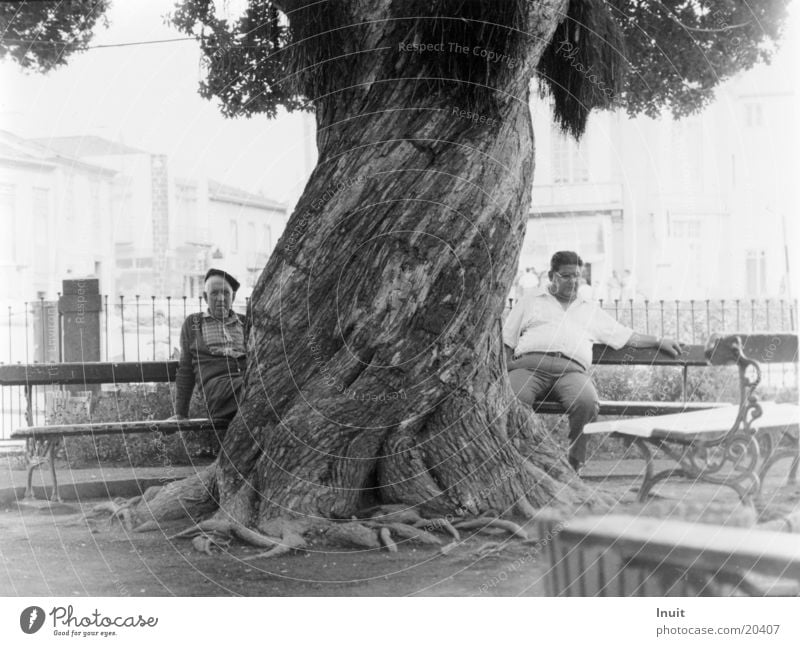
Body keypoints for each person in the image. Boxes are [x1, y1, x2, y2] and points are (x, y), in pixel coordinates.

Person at [503, 251, 681, 474]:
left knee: (587, 402)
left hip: (570, 371)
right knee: (512, 398)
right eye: (566, 276)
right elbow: (507, 339)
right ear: (551, 275)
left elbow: (624, 335)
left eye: (577, 276)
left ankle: (574, 464)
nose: (573, 282)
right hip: (530, 366)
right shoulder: (530, 300)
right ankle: (519, 461)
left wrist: (657, 340)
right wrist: (506, 368)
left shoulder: (588, 308)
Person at [167, 268, 248, 424]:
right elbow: (185, 369)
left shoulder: (245, 322)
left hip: (247, 384)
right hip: (219, 393)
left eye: (226, 293)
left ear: (234, 297)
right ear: (205, 297)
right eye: (214, 293)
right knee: (263, 391)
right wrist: (180, 413)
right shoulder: (194, 323)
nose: (220, 299)